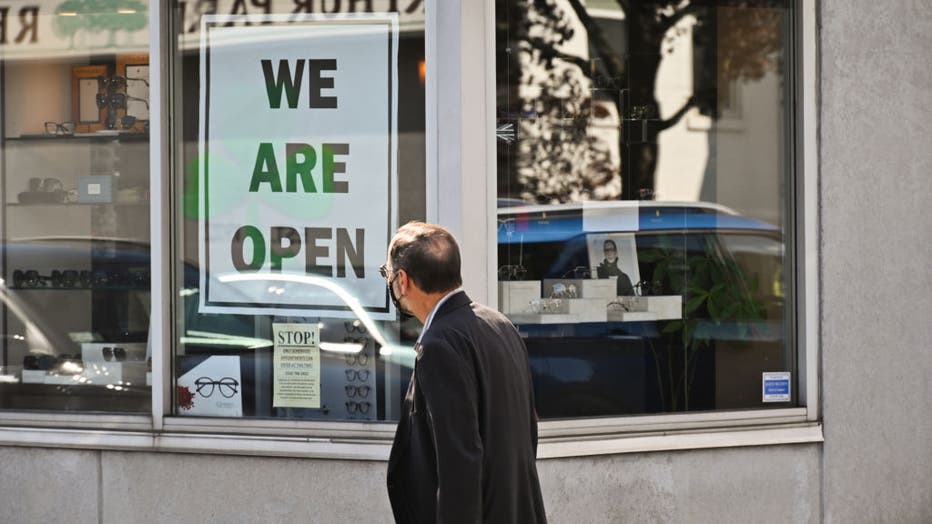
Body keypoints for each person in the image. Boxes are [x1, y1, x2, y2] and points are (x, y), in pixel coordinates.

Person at [384, 222, 547, 524]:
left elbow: (458, 460)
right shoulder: (500, 324)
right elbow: (528, 432)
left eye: (388, 275)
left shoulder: (439, 344)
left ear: (402, 280)